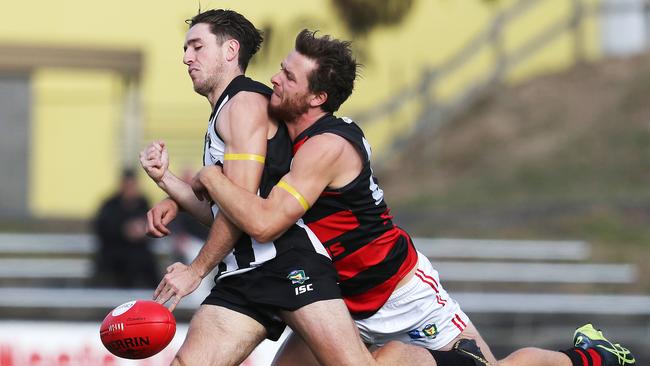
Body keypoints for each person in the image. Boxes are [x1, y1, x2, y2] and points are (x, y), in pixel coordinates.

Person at [189, 30, 637, 366]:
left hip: (396, 293)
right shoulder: (279, 122)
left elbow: (263, 221)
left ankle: (591, 356)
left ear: (318, 97)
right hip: (334, 298)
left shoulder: (328, 146)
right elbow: (239, 176)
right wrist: (182, 188)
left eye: (288, 75)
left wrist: (210, 179)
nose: (275, 79)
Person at [140, 9, 436, 366]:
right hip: (243, 273)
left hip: (288, 265)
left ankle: (417, 361)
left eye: (197, 47)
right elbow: (227, 210)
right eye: (186, 48)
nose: (187, 57)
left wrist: (195, 270)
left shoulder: (243, 104)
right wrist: (168, 182)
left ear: (231, 50)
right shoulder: (227, 111)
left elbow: (244, 209)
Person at [92, 168, 158, 288]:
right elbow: (102, 229)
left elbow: (153, 224)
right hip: (114, 254)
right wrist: (125, 231)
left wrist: (143, 230)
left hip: (140, 253)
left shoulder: (143, 202)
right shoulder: (110, 204)